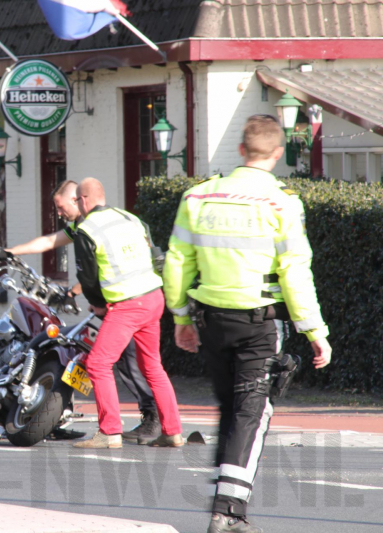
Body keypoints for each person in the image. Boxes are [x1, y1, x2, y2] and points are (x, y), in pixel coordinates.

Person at [162, 114, 332, 533]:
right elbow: (295, 271)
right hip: (259, 323)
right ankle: (228, 513)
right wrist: (315, 331)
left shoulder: (197, 198)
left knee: (231, 410)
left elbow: (177, 263)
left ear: (240, 150)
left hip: (212, 320)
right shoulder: (282, 203)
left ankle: (224, 503)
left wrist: (181, 317)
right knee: (251, 414)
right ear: (276, 154)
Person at [6, 179, 161, 442]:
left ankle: (152, 419)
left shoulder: (94, 227)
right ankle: (153, 421)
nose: (58, 213)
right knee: (123, 361)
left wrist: (77, 291)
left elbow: (100, 268)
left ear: (77, 200)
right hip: (127, 302)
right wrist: (10, 252)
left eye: (60, 206)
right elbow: (48, 242)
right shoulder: (79, 227)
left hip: (128, 302)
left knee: (130, 361)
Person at [71, 177, 183, 449]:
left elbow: (88, 276)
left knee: (98, 364)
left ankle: (109, 432)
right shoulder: (130, 218)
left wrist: (97, 303)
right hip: (153, 298)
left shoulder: (86, 230)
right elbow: (157, 257)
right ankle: (172, 431)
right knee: (152, 366)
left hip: (127, 304)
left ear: (84, 200)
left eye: (76, 200)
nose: (77, 205)